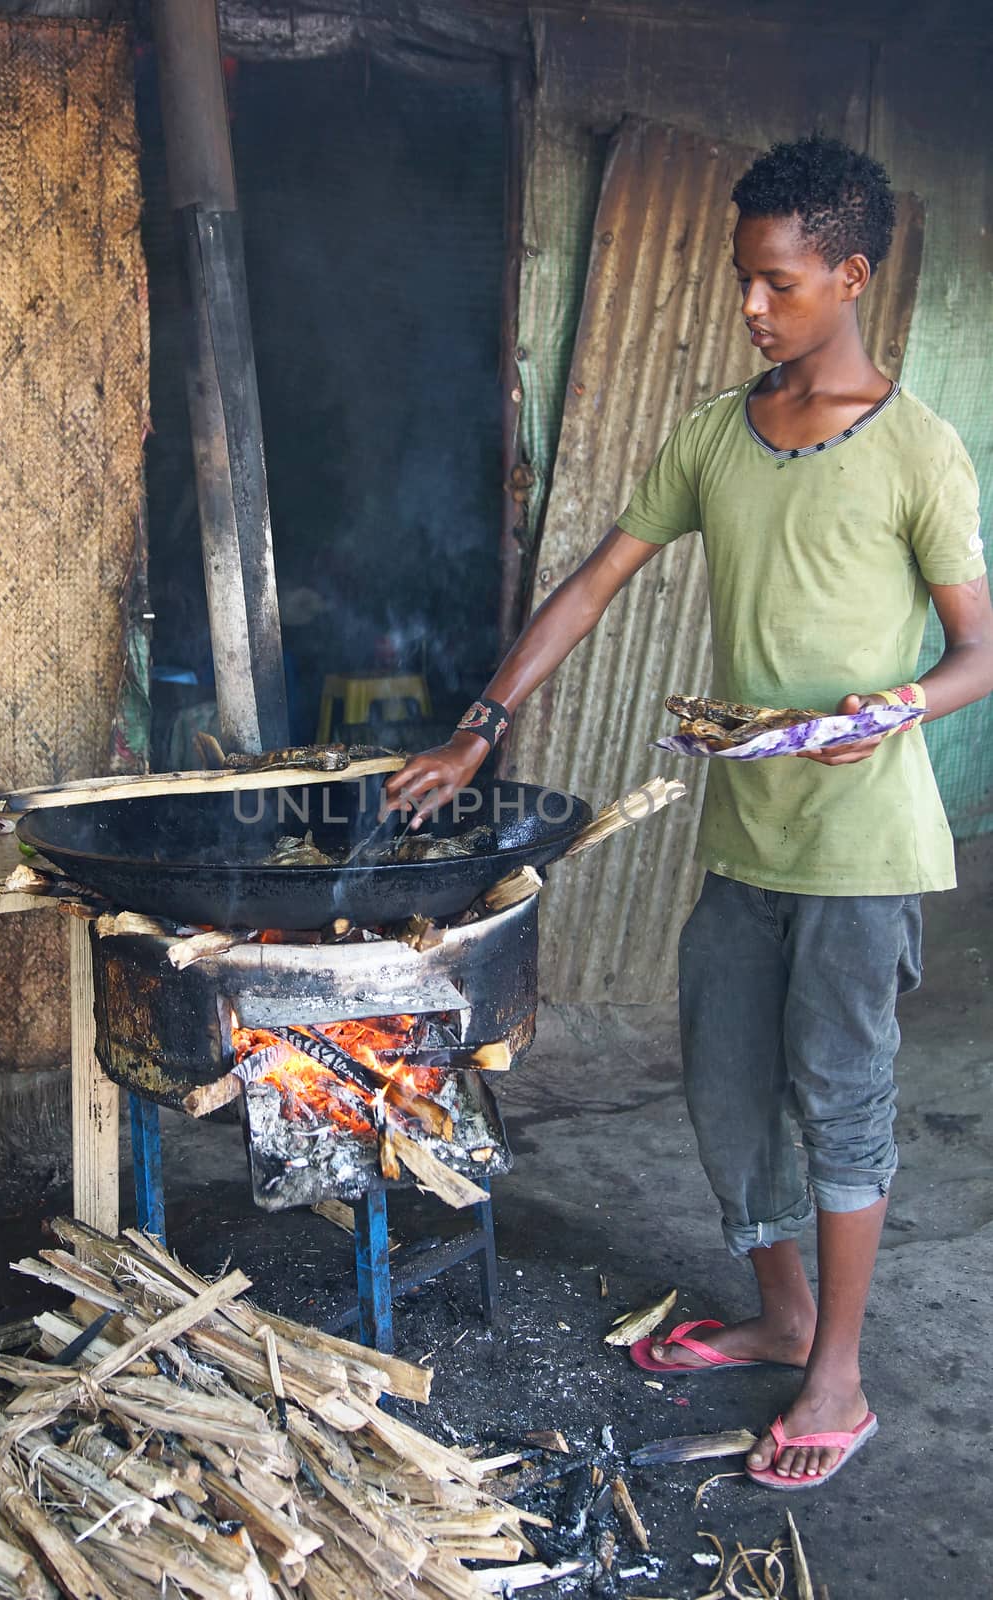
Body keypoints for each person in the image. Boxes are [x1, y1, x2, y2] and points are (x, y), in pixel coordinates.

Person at [384, 134, 993, 1490]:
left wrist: (887, 711)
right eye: (743, 281)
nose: (752, 307)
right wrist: (481, 726)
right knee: (725, 1093)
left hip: (862, 849)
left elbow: (979, 652)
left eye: (778, 283)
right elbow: (596, 584)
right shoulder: (718, 435)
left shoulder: (921, 454)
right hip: (744, 839)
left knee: (840, 1097)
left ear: (850, 275)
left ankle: (837, 1375)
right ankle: (779, 1309)